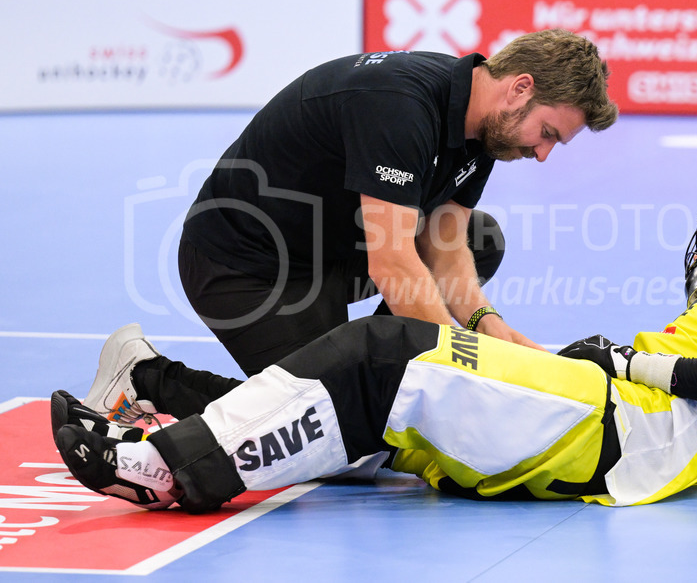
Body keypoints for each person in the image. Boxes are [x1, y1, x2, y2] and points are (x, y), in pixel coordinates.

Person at [53, 188, 697, 511]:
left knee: (385, 352)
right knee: (363, 422)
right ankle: (150, 379)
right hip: (598, 452)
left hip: (601, 416)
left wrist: (622, 360)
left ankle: (170, 466)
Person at [90, 29, 618, 429]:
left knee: (482, 239)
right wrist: (466, 368)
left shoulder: (484, 131)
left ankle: (395, 378)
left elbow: (446, 242)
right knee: (336, 424)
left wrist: (487, 325)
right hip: (244, 266)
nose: (543, 154)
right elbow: (392, 262)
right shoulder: (401, 107)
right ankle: (144, 377)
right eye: (548, 133)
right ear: (519, 88)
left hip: (329, 255)